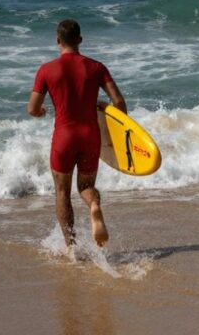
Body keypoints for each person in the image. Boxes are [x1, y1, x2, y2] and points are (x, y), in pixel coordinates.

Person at [27, 19, 125, 249]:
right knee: (86, 186)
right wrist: (103, 107)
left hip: (64, 137)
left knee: (62, 191)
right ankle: (93, 206)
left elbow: (32, 108)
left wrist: (41, 112)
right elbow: (120, 104)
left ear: (57, 41)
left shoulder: (47, 70)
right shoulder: (97, 68)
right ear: (80, 40)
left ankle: (72, 247)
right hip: (90, 135)